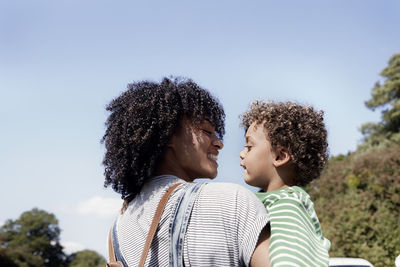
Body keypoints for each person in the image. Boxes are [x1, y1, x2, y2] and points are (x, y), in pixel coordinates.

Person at [102, 77, 270, 267]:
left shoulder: (118, 229)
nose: (219, 143)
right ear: (167, 136)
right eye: (207, 131)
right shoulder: (231, 201)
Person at [239, 100, 331, 266]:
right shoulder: (273, 202)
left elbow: (291, 260)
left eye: (249, 146)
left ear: (280, 156)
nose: (241, 153)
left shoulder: (287, 205)